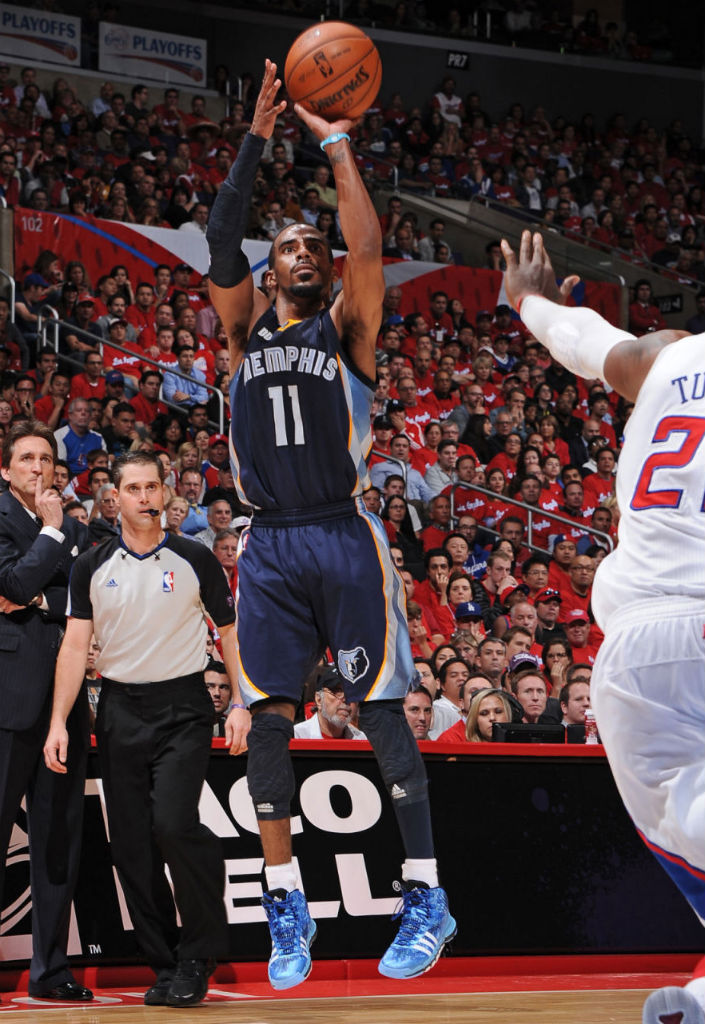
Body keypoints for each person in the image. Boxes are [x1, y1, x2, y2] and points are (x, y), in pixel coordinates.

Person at [205, 59, 455, 990]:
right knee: (264, 720)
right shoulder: (241, 334)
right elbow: (220, 242)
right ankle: (286, 910)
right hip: (267, 542)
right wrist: (257, 138)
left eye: (313, 245)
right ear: (271, 270)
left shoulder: (346, 329)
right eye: (291, 246)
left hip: (343, 534)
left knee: (383, 708)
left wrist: (337, 144)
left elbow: (368, 250)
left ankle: (426, 894)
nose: (306, 253)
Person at [500, 229, 705, 1024]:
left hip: (635, 651)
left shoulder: (668, 355)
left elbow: (582, 339)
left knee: (677, 829)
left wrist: (526, 298)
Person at [43, 451, 249, 1009]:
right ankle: (165, 962)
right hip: (116, 709)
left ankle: (198, 954)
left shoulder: (194, 557)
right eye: (132, 488)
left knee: (174, 825)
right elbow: (74, 647)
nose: (143, 497)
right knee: (131, 847)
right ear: (114, 497)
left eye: (151, 487)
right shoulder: (91, 565)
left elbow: (229, 634)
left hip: (183, 705)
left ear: (164, 493)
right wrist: (60, 721)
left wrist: (241, 704)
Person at [0, 421, 92, 1002]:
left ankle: (50, 971)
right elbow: (10, 576)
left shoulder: (79, 528)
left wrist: (37, 599)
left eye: (46, 459)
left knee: (57, 838)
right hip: (9, 698)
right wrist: (54, 538)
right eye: (26, 458)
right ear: (6, 470)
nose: (38, 467)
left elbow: (89, 602)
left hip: (67, 702)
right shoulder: (47, 526)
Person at [293, 667, 366, 740]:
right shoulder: (296, 736)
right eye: (337, 691)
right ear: (319, 700)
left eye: (352, 693)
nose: (346, 699)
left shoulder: (363, 740)